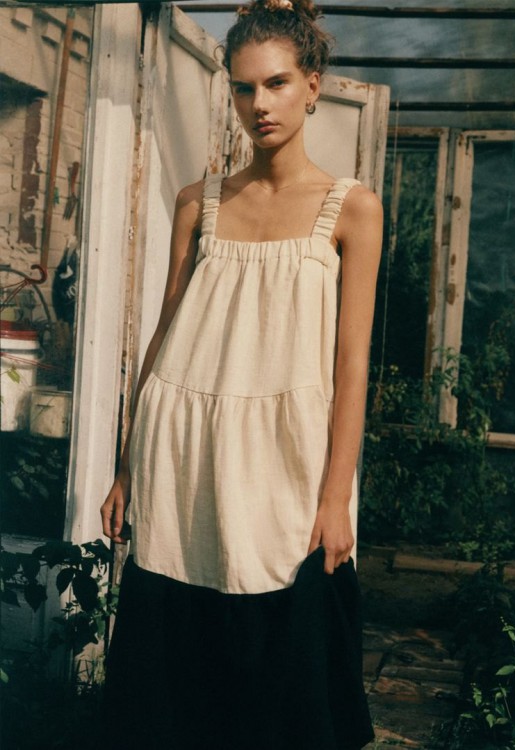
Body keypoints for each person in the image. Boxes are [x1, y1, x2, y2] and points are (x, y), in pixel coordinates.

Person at [101, 0, 383, 747]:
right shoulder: (199, 203)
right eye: (244, 87)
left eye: (278, 83)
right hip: (183, 455)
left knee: (284, 678)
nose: (260, 103)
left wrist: (336, 497)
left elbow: (352, 364)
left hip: (284, 463)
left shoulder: (351, 210)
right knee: (179, 687)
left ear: (313, 86)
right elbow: (165, 335)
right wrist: (127, 467)